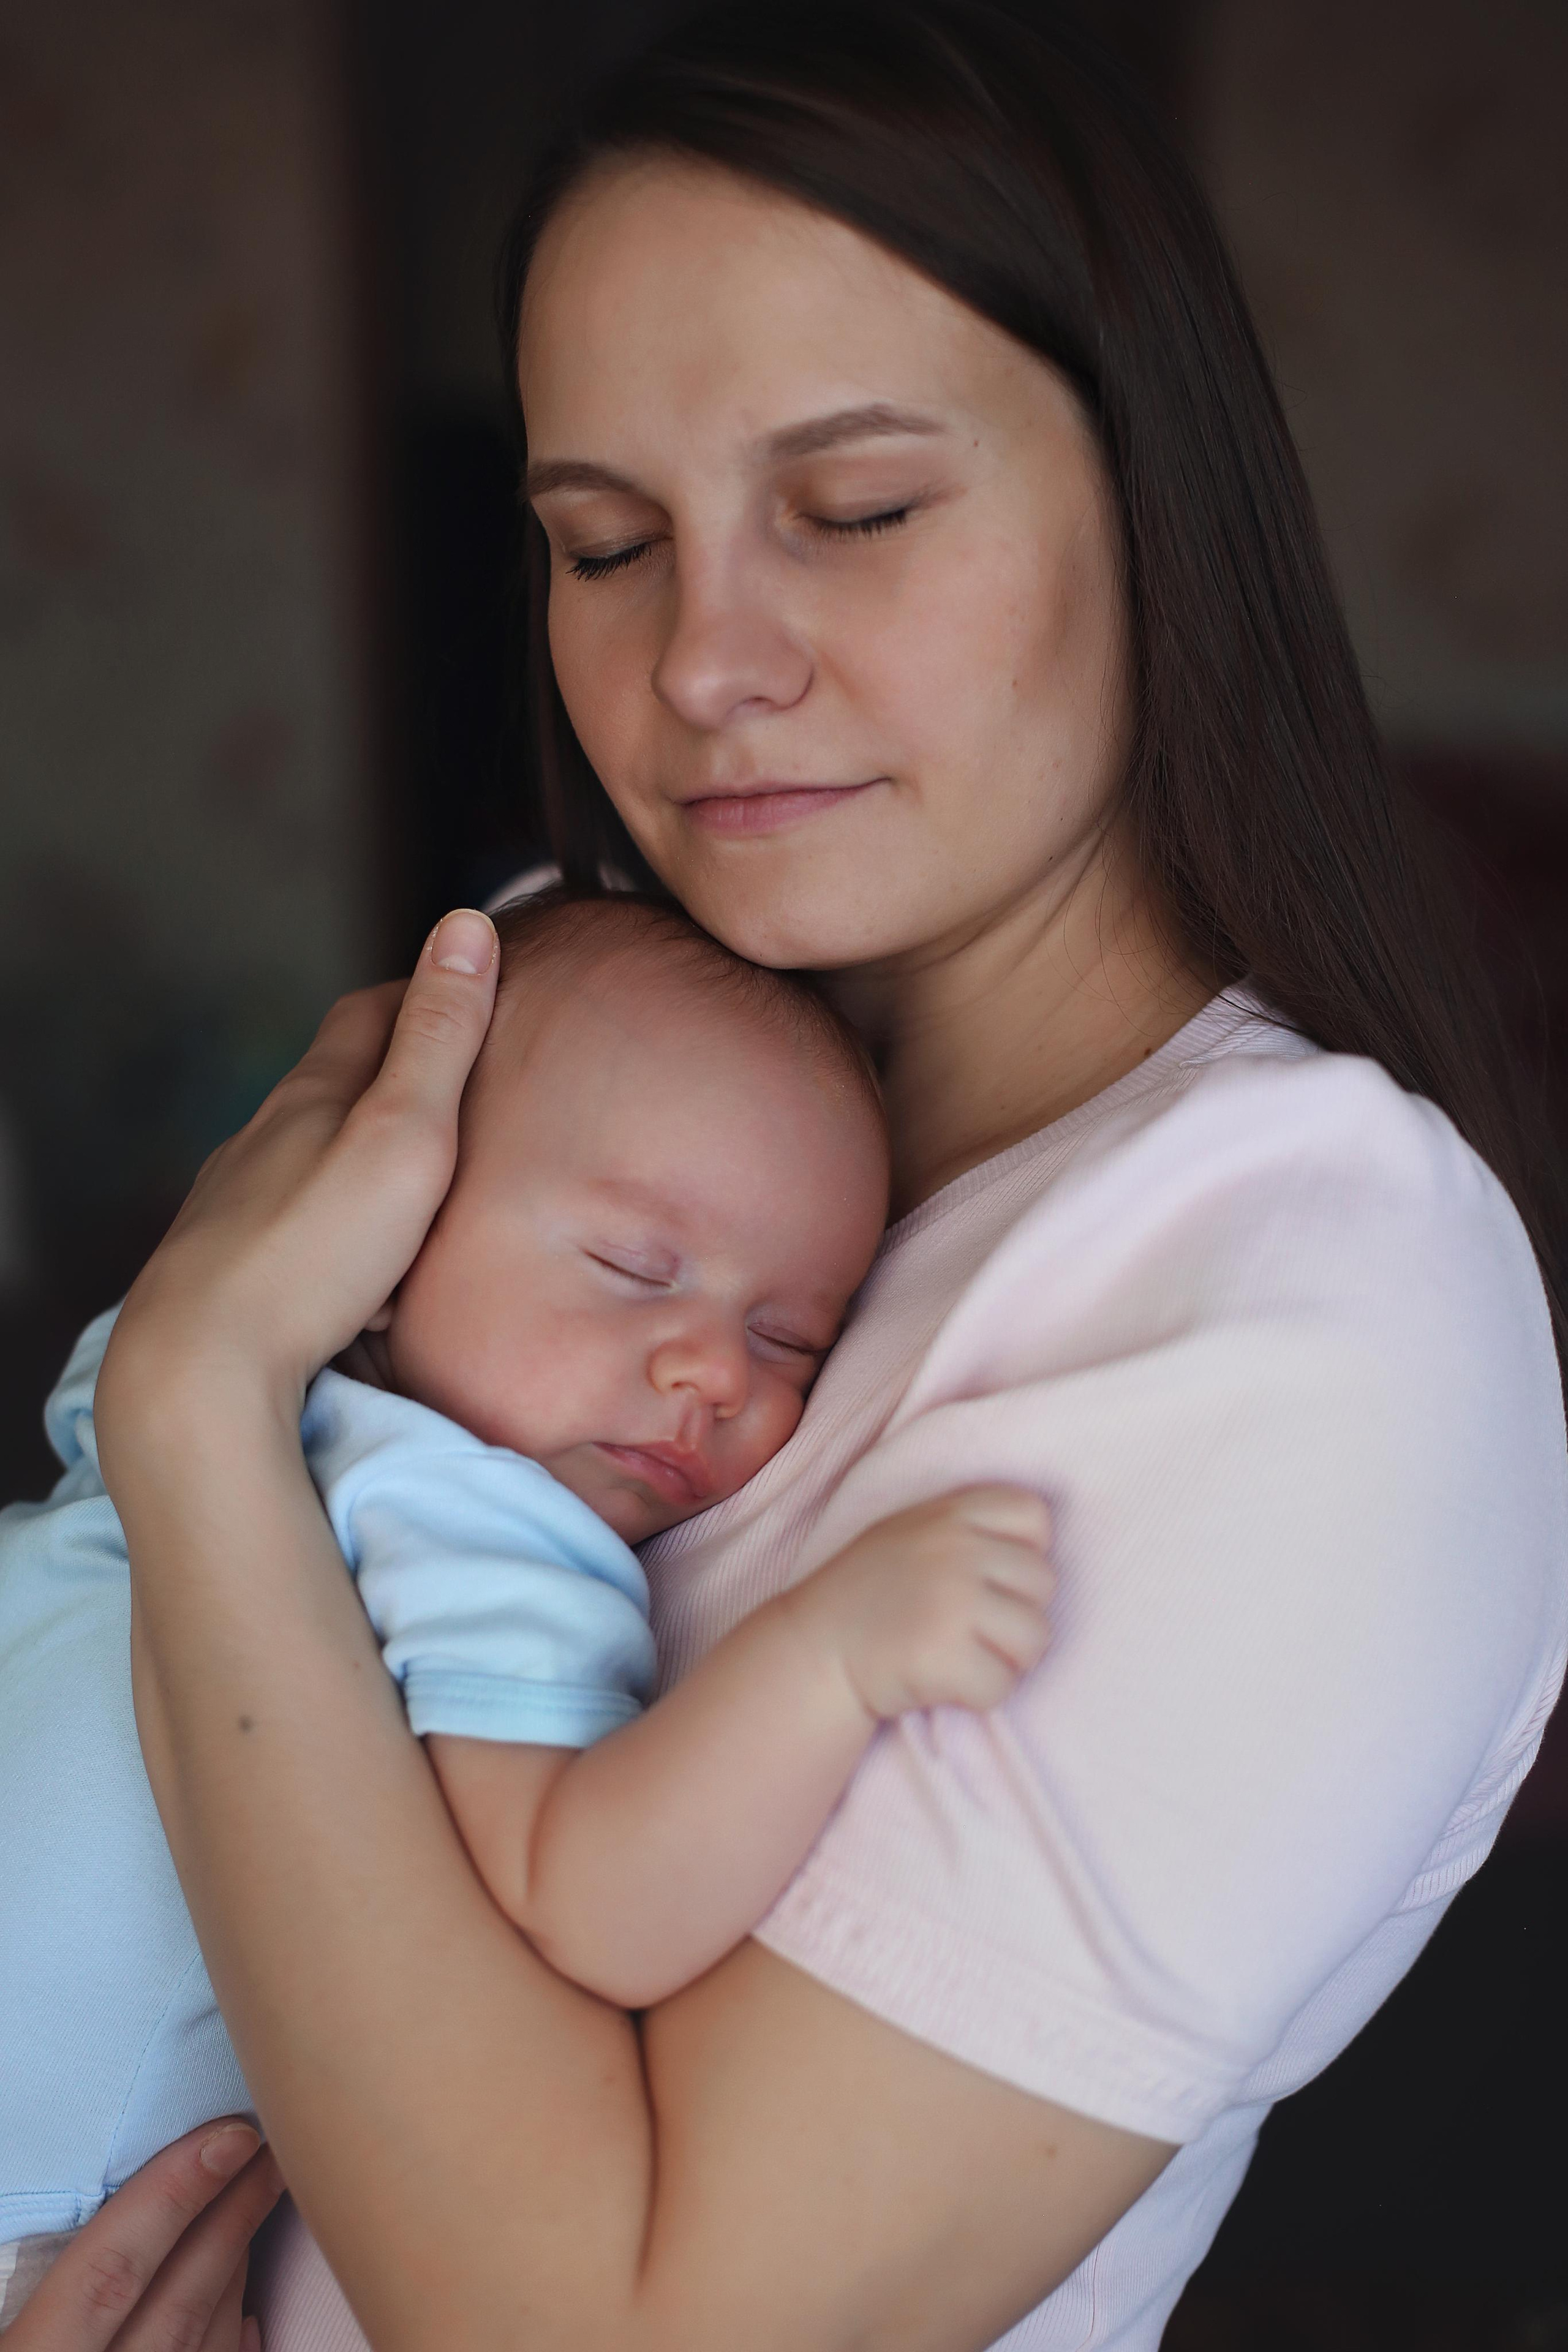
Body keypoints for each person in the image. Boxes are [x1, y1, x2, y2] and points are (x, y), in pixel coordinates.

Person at [15, 3, 1566, 2346]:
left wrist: (192, 1420)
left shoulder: (1308, 1292)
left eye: (852, 512)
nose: (706, 662)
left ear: (1156, 503)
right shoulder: (568, 993)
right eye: (602, 541)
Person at [1, 890, 1057, 2309]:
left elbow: (580, 1885)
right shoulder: (353, 1445)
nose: (712, 1373)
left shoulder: (479, 1537)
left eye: (787, 1338)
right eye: (633, 1270)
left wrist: (821, 1660)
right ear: (382, 1233)